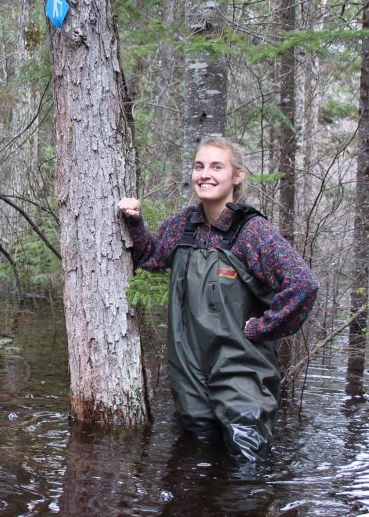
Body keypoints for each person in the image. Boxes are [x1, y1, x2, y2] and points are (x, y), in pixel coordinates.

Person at [118, 136, 319, 461]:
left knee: (247, 469)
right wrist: (135, 222)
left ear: (236, 176)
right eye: (199, 166)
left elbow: (304, 285)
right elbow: (150, 257)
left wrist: (262, 328)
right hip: (190, 374)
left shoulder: (252, 231)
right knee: (197, 463)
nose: (205, 174)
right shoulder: (184, 225)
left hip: (240, 373)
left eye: (216, 166)